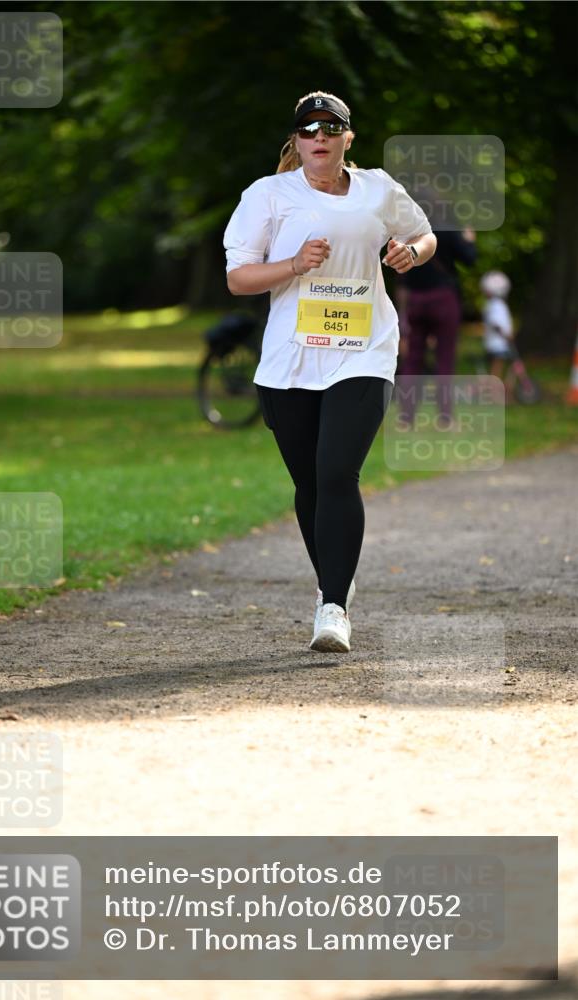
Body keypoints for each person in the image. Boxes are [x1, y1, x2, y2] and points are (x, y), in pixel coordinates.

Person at [223, 90, 436, 653]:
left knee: (338, 471)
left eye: (330, 127)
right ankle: (333, 578)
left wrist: (412, 253)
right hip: (291, 358)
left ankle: (333, 607)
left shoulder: (377, 188)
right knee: (311, 484)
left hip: (364, 349)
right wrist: (294, 265)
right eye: (308, 129)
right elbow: (238, 278)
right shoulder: (268, 195)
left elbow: (424, 233)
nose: (319, 137)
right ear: (296, 141)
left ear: (348, 137)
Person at [396, 223, 477, 429]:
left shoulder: (409, 230)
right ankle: (445, 418)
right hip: (443, 299)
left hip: (415, 300)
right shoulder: (447, 228)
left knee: (412, 360)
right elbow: (469, 259)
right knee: (445, 359)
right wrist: (469, 240)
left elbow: (401, 274)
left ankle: (406, 418)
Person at [480, 270, 514, 379]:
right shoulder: (497, 305)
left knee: (499, 368)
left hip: (493, 343)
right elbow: (496, 323)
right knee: (496, 368)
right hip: (498, 344)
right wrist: (506, 335)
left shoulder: (491, 304)